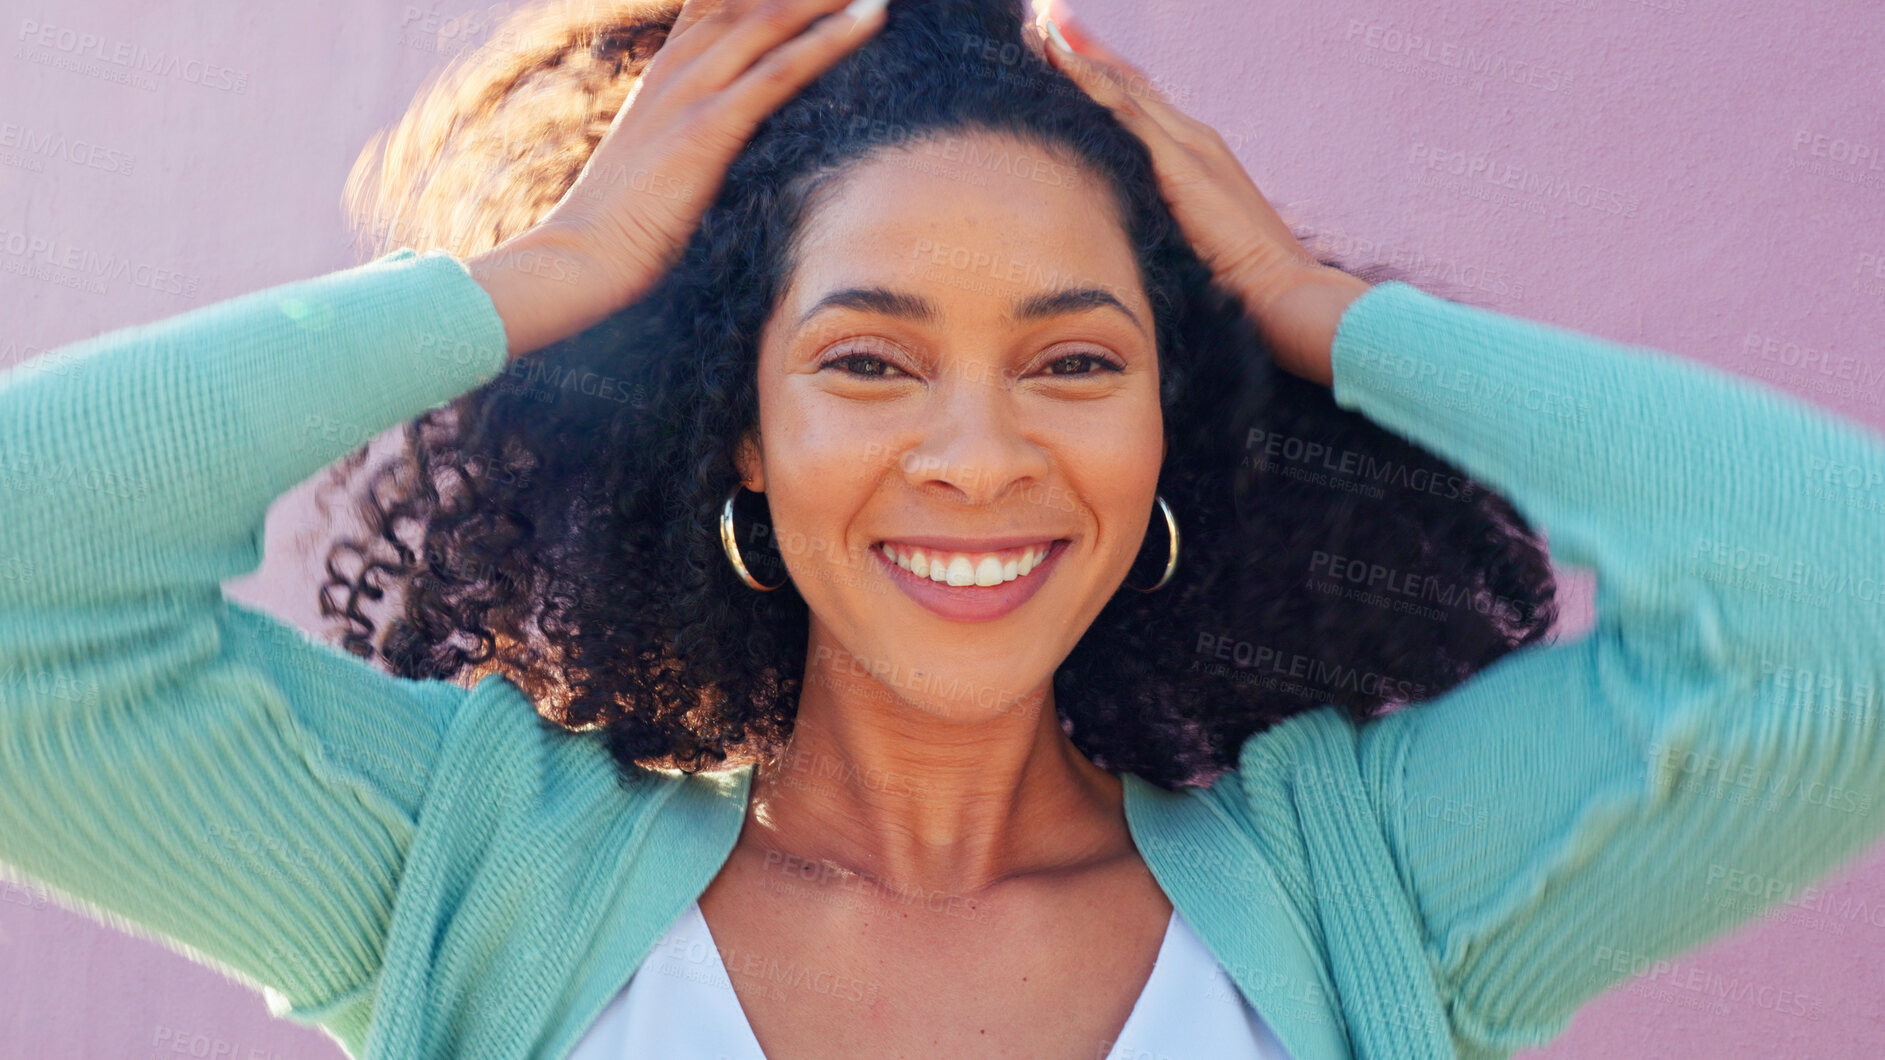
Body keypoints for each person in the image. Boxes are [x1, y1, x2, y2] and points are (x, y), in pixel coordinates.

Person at [3, 0, 1882, 1057]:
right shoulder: (475, 871)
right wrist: (551, 272)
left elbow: (1839, 626)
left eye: (1074, 361)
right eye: (870, 362)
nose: (979, 458)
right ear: (738, 434)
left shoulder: (1359, 894)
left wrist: (1314, 314)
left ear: (1169, 424)